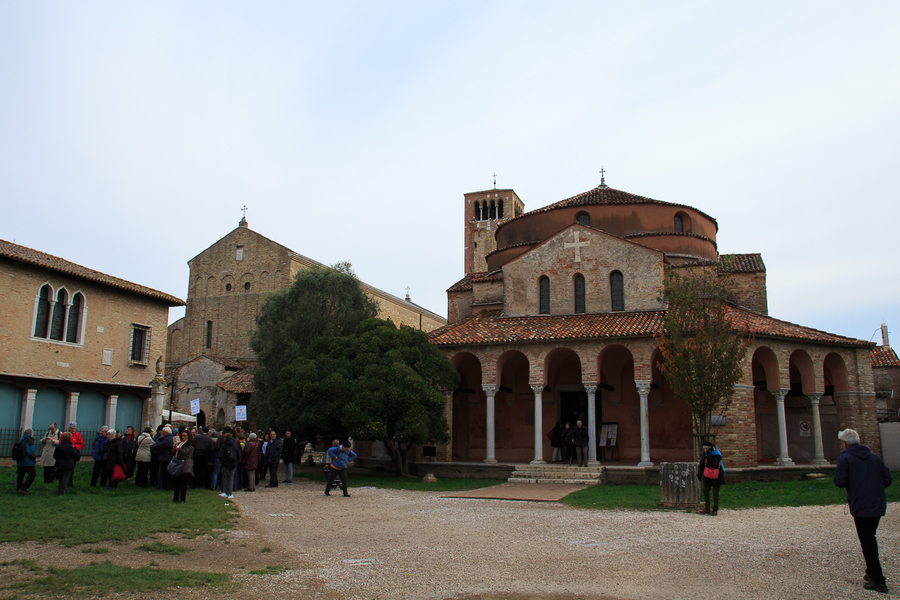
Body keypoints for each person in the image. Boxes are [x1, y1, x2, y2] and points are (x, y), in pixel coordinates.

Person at [834, 428, 893, 594]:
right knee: (870, 537)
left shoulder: (845, 459)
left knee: (868, 542)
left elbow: (839, 481)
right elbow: (887, 480)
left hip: (861, 506)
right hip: (878, 505)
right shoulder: (875, 458)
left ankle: (879, 581)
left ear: (845, 444)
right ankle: (870, 572)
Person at [697, 440, 725, 516]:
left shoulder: (717, 454)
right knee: (705, 491)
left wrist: (709, 455)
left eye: (707, 448)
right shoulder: (704, 455)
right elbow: (702, 464)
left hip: (717, 475)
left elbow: (714, 463)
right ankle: (707, 508)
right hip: (707, 475)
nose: (705, 450)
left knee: (715, 493)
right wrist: (699, 474)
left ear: (710, 448)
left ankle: (715, 509)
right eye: (704, 448)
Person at [171, 430, 195, 504]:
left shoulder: (190, 446)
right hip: (178, 463)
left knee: (183, 483)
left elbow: (184, 452)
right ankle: (176, 497)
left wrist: (178, 447)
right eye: (182, 436)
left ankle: (182, 499)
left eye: (185, 436)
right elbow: (176, 452)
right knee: (177, 482)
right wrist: (175, 448)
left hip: (185, 464)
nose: (183, 437)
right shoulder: (181, 443)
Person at [53, 431, 80, 495]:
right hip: (68, 464)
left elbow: (55, 456)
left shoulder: (58, 446)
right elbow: (76, 455)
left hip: (60, 464)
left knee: (61, 478)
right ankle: (62, 491)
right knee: (65, 478)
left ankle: (60, 489)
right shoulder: (70, 447)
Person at [150, 426, 175, 491]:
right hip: (167, 456)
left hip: (165, 457)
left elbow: (161, 445)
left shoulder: (167, 439)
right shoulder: (170, 438)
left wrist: (152, 446)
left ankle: (165, 486)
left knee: (164, 472)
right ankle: (166, 485)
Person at [217, 432, 240, 499]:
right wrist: (236, 462)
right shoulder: (235, 445)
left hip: (226, 464)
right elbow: (239, 455)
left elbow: (221, 455)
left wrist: (223, 463)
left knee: (225, 478)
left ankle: (227, 492)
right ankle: (229, 493)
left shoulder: (224, 445)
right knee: (231, 478)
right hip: (233, 464)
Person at [15, 428, 37, 495]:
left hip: (20, 461)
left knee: (20, 475)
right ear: (31, 434)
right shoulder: (29, 441)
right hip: (28, 461)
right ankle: (23, 488)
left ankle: (19, 488)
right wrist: (34, 457)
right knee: (32, 474)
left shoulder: (20, 440)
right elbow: (30, 451)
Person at [67, 423, 84, 488]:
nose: (73, 430)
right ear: (69, 428)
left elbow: (82, 445)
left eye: (74, 428)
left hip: (73, 453)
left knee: (71, 469)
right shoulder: (65, 434)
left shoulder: (78, 435)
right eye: (72, 428)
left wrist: (75, 446)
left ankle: (70, 484)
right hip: (66, 454)